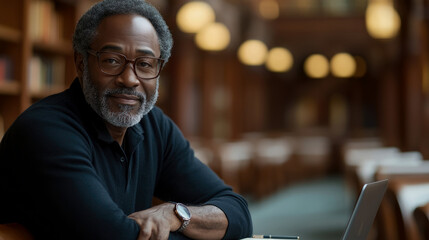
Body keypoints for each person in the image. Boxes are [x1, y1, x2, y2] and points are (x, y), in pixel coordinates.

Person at [0, 0, 253, 239]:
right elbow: (113, 236)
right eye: (111, 61)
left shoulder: (154, 124)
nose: (129, 79)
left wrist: (176, 214)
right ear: (80, 63)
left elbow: (238, 213)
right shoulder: (46, 131)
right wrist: (204, 232)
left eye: (145, 64)